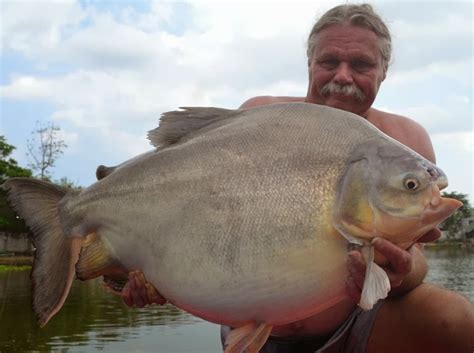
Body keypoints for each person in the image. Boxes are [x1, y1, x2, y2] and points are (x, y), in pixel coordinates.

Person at [121, 4, 474, 353]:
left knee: (457, 321)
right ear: (310, 64)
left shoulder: (406, 144)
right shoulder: (260, 118)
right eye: (329, 62)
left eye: (362, 64)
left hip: (360, 321)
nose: (343, 77)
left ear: (384, 71)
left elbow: (418, 260)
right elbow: (204, 217)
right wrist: (156, 270)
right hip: (252, 323)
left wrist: (404, 270)